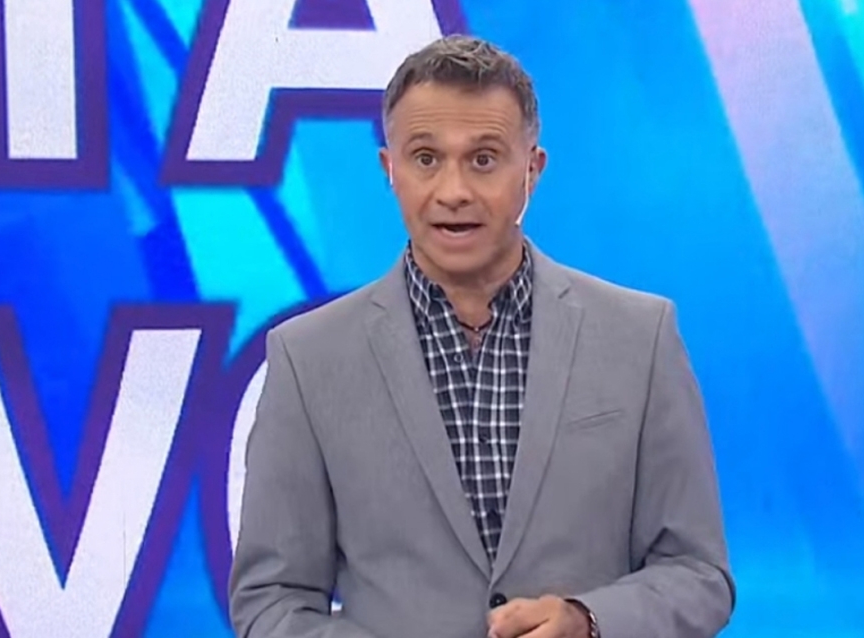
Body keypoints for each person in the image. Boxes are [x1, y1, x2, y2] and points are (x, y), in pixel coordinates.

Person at [229, 34, 735, 638]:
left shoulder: (640, 337)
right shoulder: (308, 357)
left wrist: (589, 621)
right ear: (390, 171)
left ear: (532, 171)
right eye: (425, 159)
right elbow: (271, 600)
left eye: (484, 160)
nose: (454, 191)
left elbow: (698, 573)